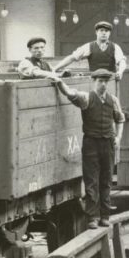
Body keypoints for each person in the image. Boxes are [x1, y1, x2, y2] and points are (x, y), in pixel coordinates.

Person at [53, 69, 124, 229]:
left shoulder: (113, 100)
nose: (103, 84)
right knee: (91, 181)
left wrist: (118, 137)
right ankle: (93, 217)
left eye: (106, 81)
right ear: (94, 81)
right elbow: (71, 93)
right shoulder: (86, 98)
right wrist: (59, 83)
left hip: (108, 143)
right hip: (91, 143)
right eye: (100, 81)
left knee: (106, 180)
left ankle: (105, 216)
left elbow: (120, 119)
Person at [51, 21, 127, 81]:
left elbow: (122, 61)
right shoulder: (89, 46)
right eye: (101, 30)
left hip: (110, 80)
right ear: (96, 32)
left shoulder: (115, 47)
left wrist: (120, 72)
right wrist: (55, 68)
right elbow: (72, 57)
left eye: (106, 31)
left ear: (109, 33)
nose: (104, 33)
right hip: (94, 80)